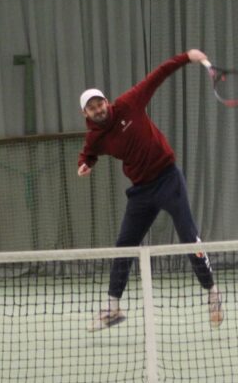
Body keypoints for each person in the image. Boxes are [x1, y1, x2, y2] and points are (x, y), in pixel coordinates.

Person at [77, 49, 223, 331]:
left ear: (107, 102)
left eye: (100, 104)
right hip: (141, 192)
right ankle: (112, 309)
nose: (98, 110)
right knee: (124, 246)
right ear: (86, 113)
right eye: (92, 108)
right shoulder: (95, 137)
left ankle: (213, 293)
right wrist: (85, 164)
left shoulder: (129, 103)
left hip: (168, 179)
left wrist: (187, 57)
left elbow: (158, 75)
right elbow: (88, 153)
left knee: (189, 238)